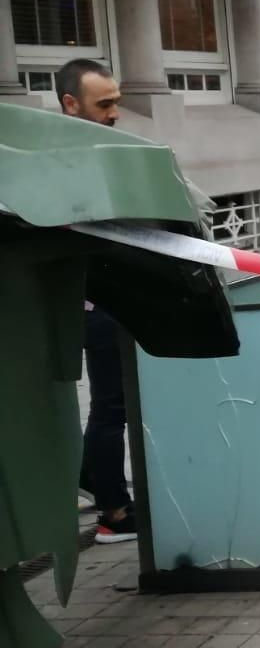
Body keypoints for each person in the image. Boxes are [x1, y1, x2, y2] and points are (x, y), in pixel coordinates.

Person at [58, 60, 136, 544]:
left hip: (107, 293)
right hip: (94, 299)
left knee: (110, 405)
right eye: (103, 104)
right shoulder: (61, 159)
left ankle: (95, 484)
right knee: (111, 406)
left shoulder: (96, 148)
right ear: (71, 105)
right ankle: (115, 512)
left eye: (116, 102)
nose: (114, 113)